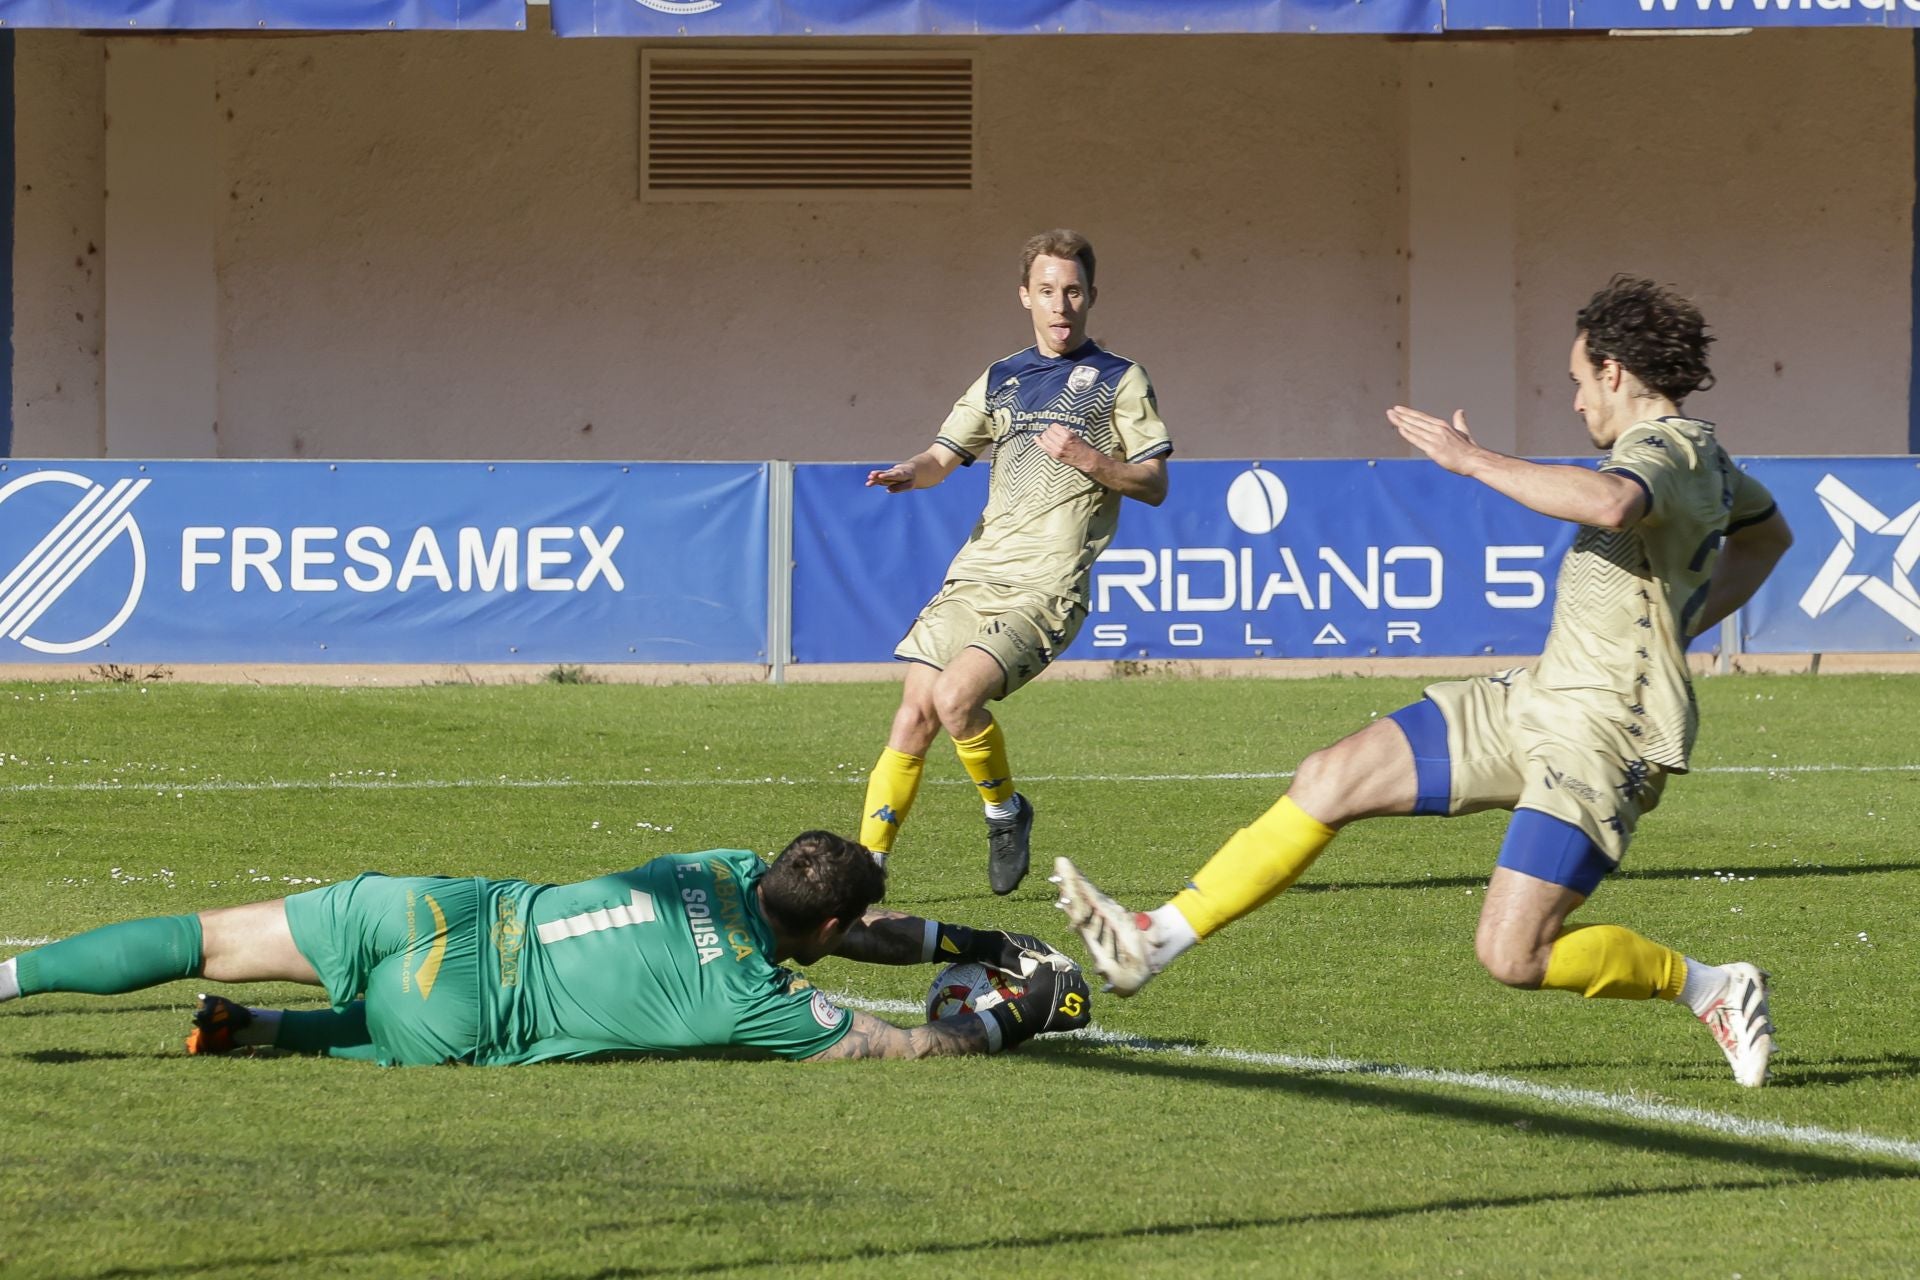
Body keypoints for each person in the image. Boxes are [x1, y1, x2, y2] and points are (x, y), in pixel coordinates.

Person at [1053, 275, 1795, 1086]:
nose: (1578, 401)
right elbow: (1768, 540)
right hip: (1537, 697)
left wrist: (1473, 461)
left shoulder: (1664, 450)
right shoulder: (1709, 460)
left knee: (1513, 955)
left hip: (1602, 734)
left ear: (1616, 372)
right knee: (1330, 776)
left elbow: (1613, 505)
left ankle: (1712, 987)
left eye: (1581, 381)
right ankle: (1151, 940)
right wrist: (1678, 620)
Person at [0, 830, 1091, 1063]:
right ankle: (276, 1037)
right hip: (459, 1002)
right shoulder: (759, 998)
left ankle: (10, 976)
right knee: (409, 1026)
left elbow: (835, 932)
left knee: (205, 933)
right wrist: (997, 1012)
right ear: (828, 932)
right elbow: (888, 1046)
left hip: (438, 911)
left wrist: (979, 934)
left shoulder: (714, 863)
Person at [861, 229, 1173, 894]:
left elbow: (1154, 482)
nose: (1061, 305)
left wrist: (1093, 460)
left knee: (953, 698)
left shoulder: (1120, 379)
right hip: (976, 573)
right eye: (1048, 291)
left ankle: (1005, 813)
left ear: (1091, 297)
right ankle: (867, 871)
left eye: (1074, 291)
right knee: (914, 710)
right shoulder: (1002, 378)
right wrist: (905, 472)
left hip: (1045, 588)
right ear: (1025, 296)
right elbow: (942, 458)